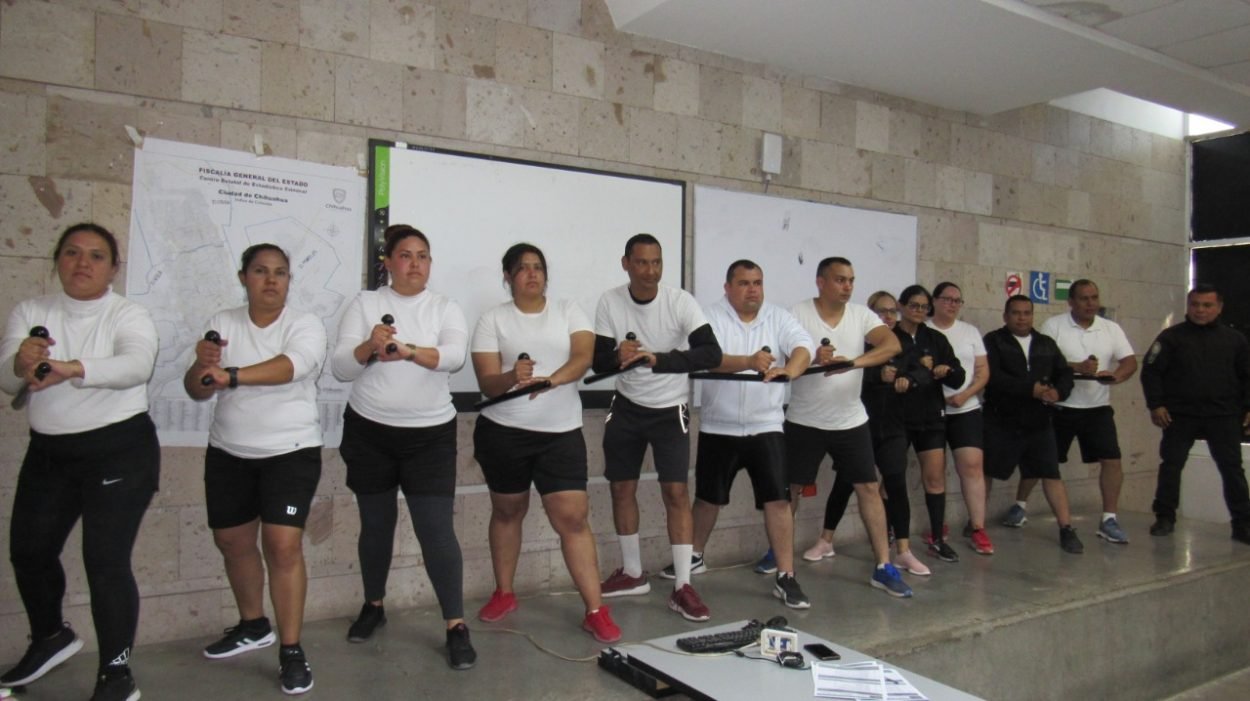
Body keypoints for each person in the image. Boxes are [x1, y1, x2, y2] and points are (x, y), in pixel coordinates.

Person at [0, 223, 160, 701]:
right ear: (58, 260)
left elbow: (136, 365)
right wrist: (19, 363)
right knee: (29, 551)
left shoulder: (127, 314)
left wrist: (72, 368)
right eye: (72, 252)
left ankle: (116, 674)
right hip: (50, 453)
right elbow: (8, 383)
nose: (82, 263)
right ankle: (51, 636)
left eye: (95, 255)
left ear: (113, 268)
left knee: (105, 562)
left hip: (119, 450)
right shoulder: (32, 311)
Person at [331, 224, 476, 669]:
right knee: (376, 525)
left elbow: (454, 357)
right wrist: (369, 347)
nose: (416, 264)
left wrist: (407, 349)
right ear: (388, 263)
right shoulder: (365, 304)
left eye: (423, 256)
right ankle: (373, 605)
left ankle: (455, 625)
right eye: (406, 255)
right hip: (369, 433)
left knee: (436, 532)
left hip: (429, 437)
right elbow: (340, 368)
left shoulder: (445, 307)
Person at [184, 243, 326, 695]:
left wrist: (232, 375)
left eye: (280, 272)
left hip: (290, 451)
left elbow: (291, 367)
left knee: (282, 546)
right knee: (232, 541)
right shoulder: (223, 323)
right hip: (229, 451)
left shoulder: (304, 324)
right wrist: (203, 365)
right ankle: (252, 625)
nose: (271, 280)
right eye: (261, 271)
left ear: (289, 280)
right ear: (243, 277)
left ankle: (291, 649)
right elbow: (197, 388)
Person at [470, 243, 621, 643]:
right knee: (507, 511)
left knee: (573, 518)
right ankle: (504, 593)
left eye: (538, 266)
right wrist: (512, 378)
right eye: (522, 268)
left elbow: (583, 357)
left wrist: (549, 380)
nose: (532, 273)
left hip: (560, 433)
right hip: (504, 433)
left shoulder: (569, 310)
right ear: (508, 277)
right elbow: (487, 382)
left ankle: (595, 610)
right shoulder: (492, 319)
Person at [593, 233, 722, 621]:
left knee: (676, 493)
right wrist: (617, 355)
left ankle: (683, 585)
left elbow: (711, 353)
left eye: (656, 263)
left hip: (670, 410)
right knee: (621, 488)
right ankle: (633, 573)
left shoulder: (679, 301)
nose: (650, 271)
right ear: (626, 264)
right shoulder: (609, 301)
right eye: (642, 263)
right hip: (626, 407)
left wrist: (660, 360)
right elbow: (598, 362)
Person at [675, 260, 813, 608]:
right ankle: (693, 558)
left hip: (767, 426)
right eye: (744, 283)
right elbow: (705, 358)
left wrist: (790, 370)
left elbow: (803, 347)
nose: (753, 289)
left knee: (778, 501)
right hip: (718, 425)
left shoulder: (779, 317)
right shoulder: (709, 316)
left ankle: (786, 576)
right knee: (708, 498)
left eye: (758, 282)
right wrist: (748, 362)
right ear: (728, 287)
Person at [785, 257, 912, 597]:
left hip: (850, 420)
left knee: (868, 487)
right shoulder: (797, 313)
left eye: (851, 280)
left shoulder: (861, 315)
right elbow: (785, 359)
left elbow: (891, 345)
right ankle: (780, 558)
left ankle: (883, 566)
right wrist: (813, 358)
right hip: (804, 419)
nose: (847, 286)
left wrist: (853, 363)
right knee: (790, 489)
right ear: (821, 282)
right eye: (840, 279)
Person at [802, 291, 931, 578]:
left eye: (892, 311)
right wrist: (876, 375)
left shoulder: (900, 343)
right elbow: (845, 372)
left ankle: (903, 551)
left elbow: (923, 372)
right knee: (845, 483)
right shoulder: (858, 341)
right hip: (859, 426)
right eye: (882, 311)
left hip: (893, 427)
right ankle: (826, 540)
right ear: (871, 314)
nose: (888, 317)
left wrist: (908, 378)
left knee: (895, 483)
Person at [1023, 280, 1137, 544]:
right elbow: (1042, 362)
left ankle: (1109, 519)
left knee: (1112, 460)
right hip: (1060, 407)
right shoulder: (1054, 326)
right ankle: (1020, 505)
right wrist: (1076, 367)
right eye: (1084, 298)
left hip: (1097, 408)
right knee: (1044, 461)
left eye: (1094, 298)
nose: (1090, 303)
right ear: (1071, 302)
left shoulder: (1110, 328)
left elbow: (1130, 361)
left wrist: (1116, 376)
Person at [1141, 284, 1250, 543]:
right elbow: (1151, 372)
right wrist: (1156, 404)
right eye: (1195, 305)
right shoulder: (1171, 338)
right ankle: (1165, 517)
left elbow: (1247, 376)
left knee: (1232, 469)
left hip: (1222, 415)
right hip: (1180, 415)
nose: (1200, 310)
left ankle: (1243, 524)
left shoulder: (1235, 340)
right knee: (1171, 466)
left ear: (1219, 308)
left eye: (1207, 305)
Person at [982, 295, 1083, 553]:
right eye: (1016, 313)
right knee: (987, 473)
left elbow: (1064, 373)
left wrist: (1059, 392)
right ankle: (977, 525)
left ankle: (1066, 528)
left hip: (1039, 422)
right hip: (1001, 421)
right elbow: (992, 377)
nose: (1022, 318)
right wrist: (1030, 389)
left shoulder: (1045, 343)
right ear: (1006, 316)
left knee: (1051, 474)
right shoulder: (994, 341)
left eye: (1027, 313)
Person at [894, 285, 966, 563]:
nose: (919, 311)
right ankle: (889, 533)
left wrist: (947, 370)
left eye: (924, 307)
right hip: (897, 418)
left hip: (931, 417)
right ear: (901, 306)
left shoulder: (936, 338)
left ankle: (938, 539)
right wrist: (919, 368)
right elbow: (884, 374)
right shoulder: (888, 337)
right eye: (914, 305)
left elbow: (958, 377)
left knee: (935, 477)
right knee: (892, 478)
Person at [926, 281, 993, 555]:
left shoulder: (970, 331)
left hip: (966, 409)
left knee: (972, 466)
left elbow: (982, 371)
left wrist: (965, 395)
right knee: (934, 472)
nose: (952, 305)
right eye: (947, 299)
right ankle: (937, 526)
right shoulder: (924, 330)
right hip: (932, 411)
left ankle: (978, 527)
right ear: (934, 301)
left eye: (957, 300)